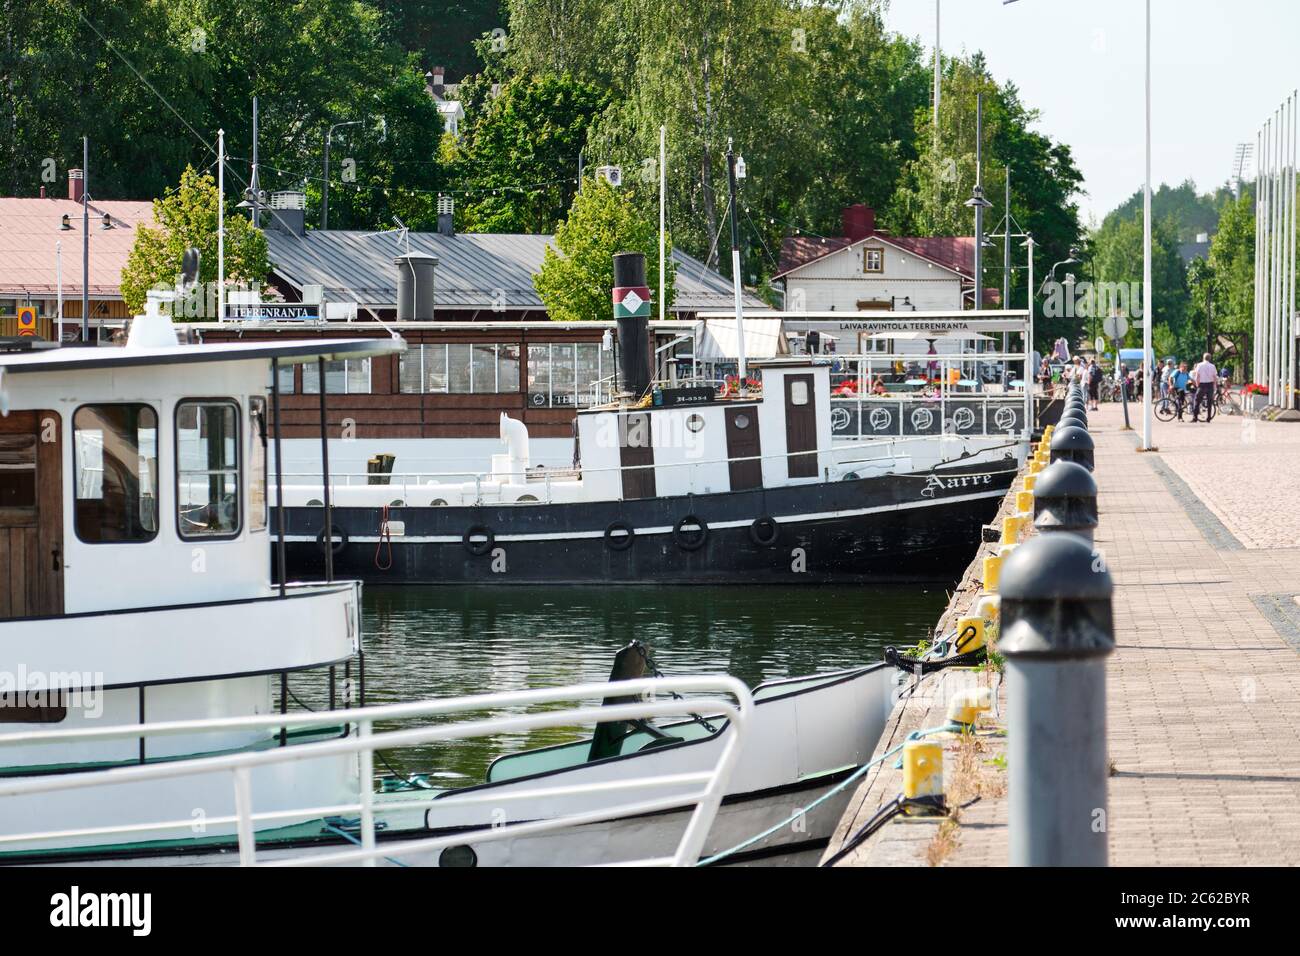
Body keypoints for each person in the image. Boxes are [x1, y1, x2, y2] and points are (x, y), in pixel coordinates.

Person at [1191, 352, 1218, 422]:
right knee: (1209, 402)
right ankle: (1208, 418)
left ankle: (1195, 417)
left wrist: (1197, 385)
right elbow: (1215, 377)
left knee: (1197, 401)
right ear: (1210, 358)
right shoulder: (1212, 366)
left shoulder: (1199, 365)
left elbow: (1197, 376)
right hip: (1210, 385)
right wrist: (1214, 386)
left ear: (1203, 358)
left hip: (1202, 385)